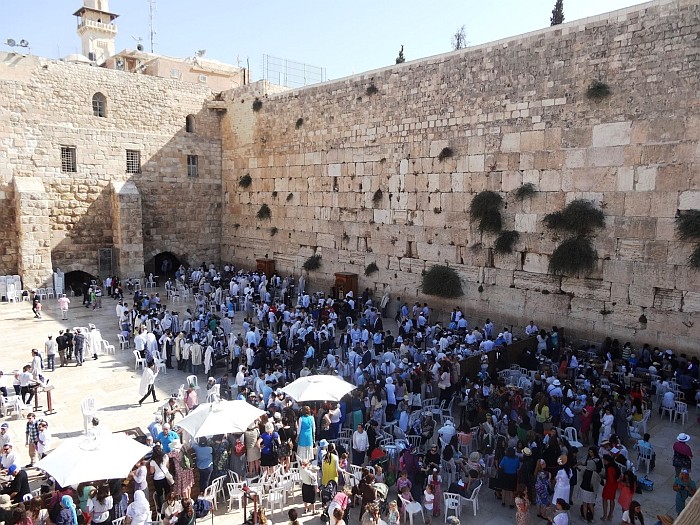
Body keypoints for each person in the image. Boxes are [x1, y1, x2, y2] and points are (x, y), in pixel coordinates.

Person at [149, 445, 171, 509]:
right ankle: (169, 505)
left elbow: (152, 471)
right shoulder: (165, 456)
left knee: (160, 494)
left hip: (157, 479)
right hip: (165, 476)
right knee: (168, 492)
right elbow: (167, 466)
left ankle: (162, 508)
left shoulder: (153, 461)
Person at [601, 454, 620, 522]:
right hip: (614, 484)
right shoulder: (614, 466)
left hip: (609, 485)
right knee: (612, 499)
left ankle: (605, 515)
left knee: (605, 499)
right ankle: (610, 515)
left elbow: (611, 479)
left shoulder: (609, 468)